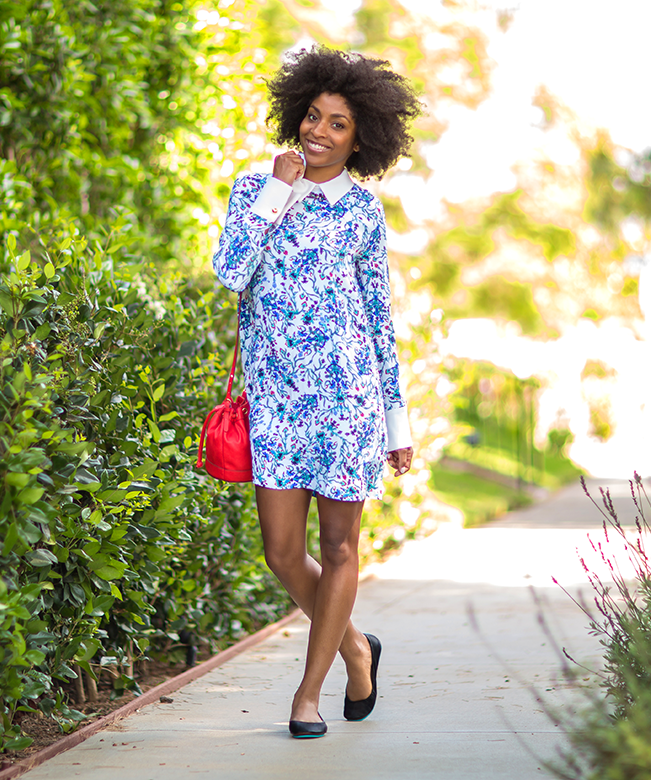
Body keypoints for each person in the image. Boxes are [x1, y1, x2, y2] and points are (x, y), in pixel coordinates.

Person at [212, 45, 422, 739]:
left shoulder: (363, 211)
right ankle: (357, 649)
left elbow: (377, 318)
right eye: (312, 116)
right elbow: (230, 272)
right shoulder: (256, 189)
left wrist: (396, 421)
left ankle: (309, 695)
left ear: (361, 140)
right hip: (277, 402)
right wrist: (276, 192)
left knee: (338, 549)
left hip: (348, 402)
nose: (319, 132)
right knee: (280, 551)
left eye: (337, 124)